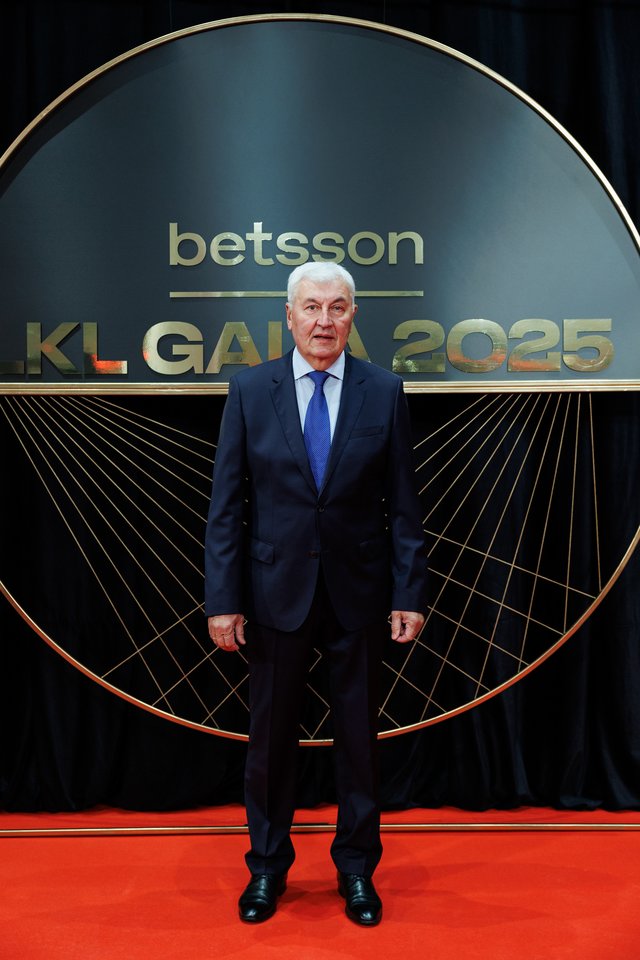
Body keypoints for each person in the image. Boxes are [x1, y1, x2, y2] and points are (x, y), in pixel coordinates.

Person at [205, 262, 428, 926]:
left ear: (353, 315)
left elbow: (404, 507)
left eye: (336, 307)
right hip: (273, 594)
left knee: (358, 741)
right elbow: (226, 508)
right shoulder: (250, 389)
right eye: (311, 307)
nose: (324, 320)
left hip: (360, 595)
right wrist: (222, 600)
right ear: (289, 315)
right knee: (270, 743)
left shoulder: (383, 390)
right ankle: (267, 869)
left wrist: (409, 592)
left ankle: (356, 869)